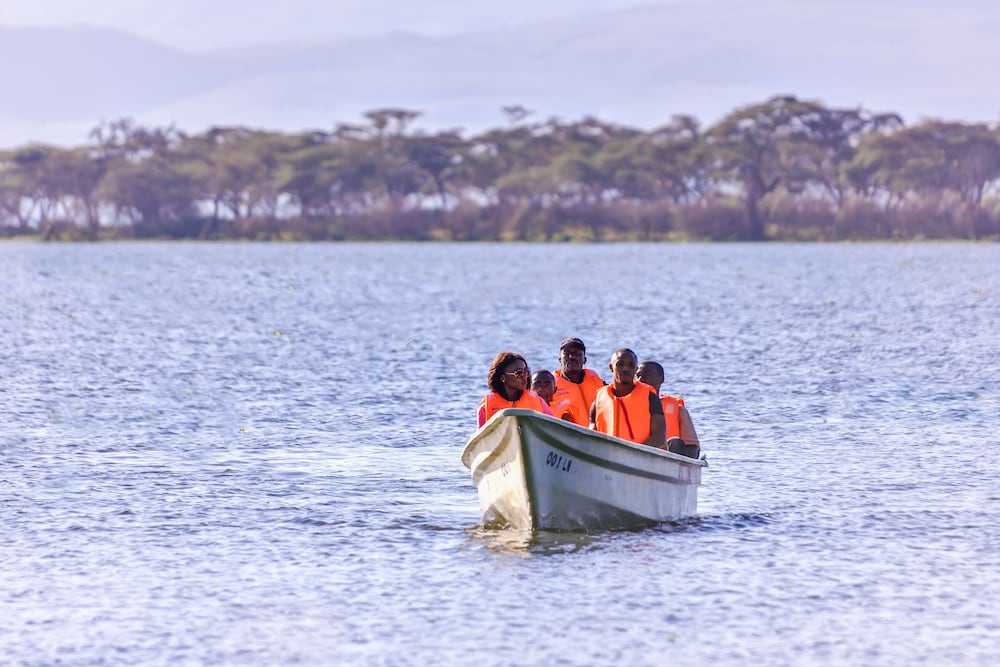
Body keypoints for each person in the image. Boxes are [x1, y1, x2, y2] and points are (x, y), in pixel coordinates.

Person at [590, 348, 665, 448]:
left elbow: (659, 437)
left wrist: (635, 453)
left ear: (635, 370)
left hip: (639, 457)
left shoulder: (650, 398)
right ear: (611, 367)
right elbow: (590, 436)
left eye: (631, 365)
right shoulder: (598, 401)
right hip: (606, 455)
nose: (626, 369)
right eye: (620, 364)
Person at [635, 360, 702, 459]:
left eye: (646, 375)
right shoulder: (627, 404)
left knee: (675, 442)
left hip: (667, 459)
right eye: (637, 376)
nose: (640, 379)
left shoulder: (678, 410)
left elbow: (693, 450)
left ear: (661, 379)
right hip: (635, 453)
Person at [477, 351, 553, 427]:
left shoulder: (539, 402)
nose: (525, 377)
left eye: (526, 372)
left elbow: (556, 429)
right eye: (519, 373)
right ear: (503, 377)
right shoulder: (484, 408)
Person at [552, 337, 605, 427]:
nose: (572, 357)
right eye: (567, 353)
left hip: (599, 435)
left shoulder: (595, 379)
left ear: (585, 359)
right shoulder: (549, 384)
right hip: (568, 435)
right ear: (560, 360)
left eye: (577, 353)